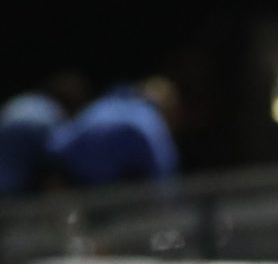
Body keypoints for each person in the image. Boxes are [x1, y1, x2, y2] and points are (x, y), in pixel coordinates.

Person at [48, 78, 181, 188]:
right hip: (115, 190)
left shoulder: (102, 105)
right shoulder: (149, 116)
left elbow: (57, 144)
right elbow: (164, 165)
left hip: (78, 180)